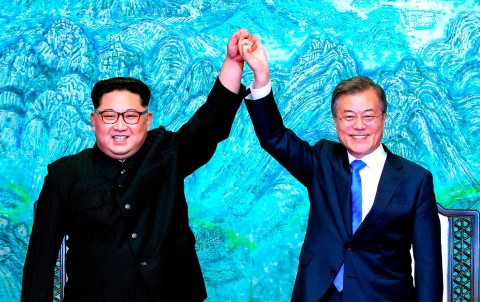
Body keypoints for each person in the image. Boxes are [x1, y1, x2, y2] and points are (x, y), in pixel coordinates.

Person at [21, 28, 252, 302]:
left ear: (147, 120)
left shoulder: (166, 153)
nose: (120, 126)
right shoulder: (64, 175)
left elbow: (209, 124)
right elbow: (40, 265)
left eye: (131, 115)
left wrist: (234, 61)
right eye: (109, 116)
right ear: (94, 121)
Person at [238, 35, 443, 301]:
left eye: (369, 116)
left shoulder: (416, 180)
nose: (359, 126)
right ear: (335, 121)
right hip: (318, 294)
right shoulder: (322, 160)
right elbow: (273, 137)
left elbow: (428, 267)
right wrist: (262, 77)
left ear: (383, 118)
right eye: (349, 116)